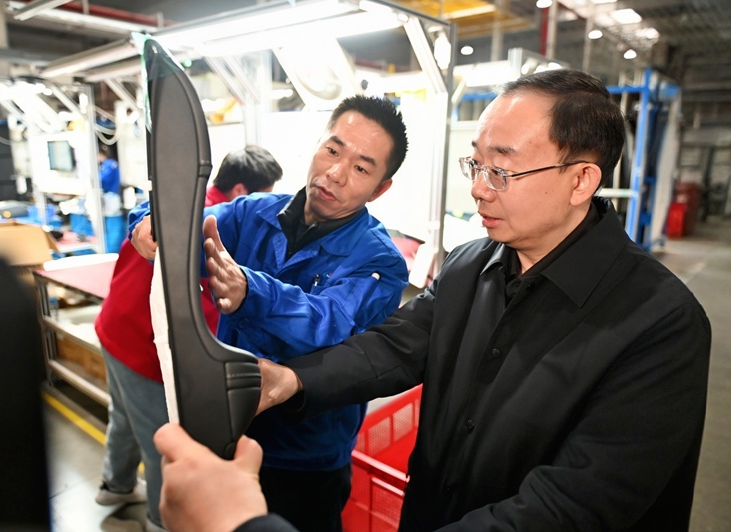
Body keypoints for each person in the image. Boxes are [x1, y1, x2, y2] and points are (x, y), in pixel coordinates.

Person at [155, 69, 712, 532]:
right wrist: (292, 381)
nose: (478, 188)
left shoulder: (659, 324)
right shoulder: (472, 264)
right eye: (476, 164)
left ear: (581, 180)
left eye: (501, 170)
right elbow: (394, 347)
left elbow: (573, 506)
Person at [129, 95, 410, 532]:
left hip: (306, 457)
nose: (335, 173)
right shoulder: (252, 213)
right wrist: (149, 222)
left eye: (361, 168)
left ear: (380, 188)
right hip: (230, 430)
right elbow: (184, 221)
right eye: (332, 150)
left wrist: (250, 291)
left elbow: (330, 323)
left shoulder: (381, 262)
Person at [93, 145, 282, 532]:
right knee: (165, 444)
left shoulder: (179, 205)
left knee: (124, 416)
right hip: (144, 348)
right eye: (264, 195)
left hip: (114, 328)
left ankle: (115, 485)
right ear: (241, 191)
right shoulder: (213, 228)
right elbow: (205, 311)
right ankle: (161, 522)